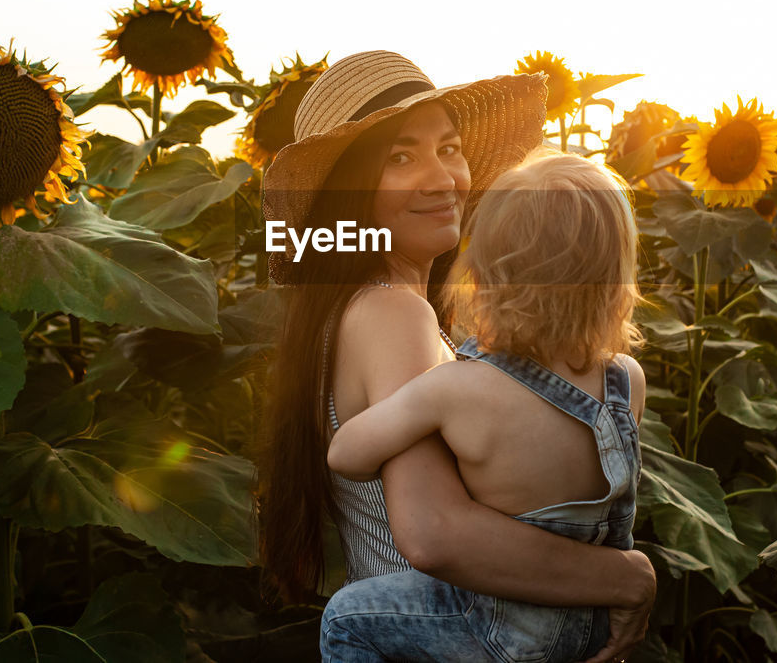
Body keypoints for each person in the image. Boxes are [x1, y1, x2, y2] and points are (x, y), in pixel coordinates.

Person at [257, 51, 656, 663]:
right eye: (400, 157)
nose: (441, 177)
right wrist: (627, 578)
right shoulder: (394, 313)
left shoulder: (372, 307)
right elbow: (436, 533)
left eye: (449, 147)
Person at [322, 151, 646, 662]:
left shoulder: (457, 390)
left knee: (346, 618)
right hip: (592, 623)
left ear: (484, 273)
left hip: (497, 632)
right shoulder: (627, 379)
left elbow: (346, 454)